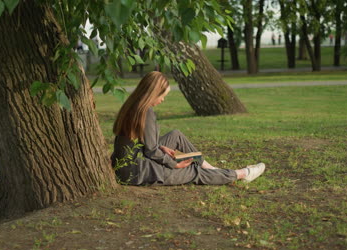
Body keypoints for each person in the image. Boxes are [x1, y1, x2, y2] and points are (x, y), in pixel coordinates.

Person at [111, 71, 265, 186]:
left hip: (130, 162)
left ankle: (210, 167)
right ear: (152, 93)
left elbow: (145, 144)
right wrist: (173, 164)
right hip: (135, 171)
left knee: (176, 135)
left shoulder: (133, 105)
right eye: (161, 95)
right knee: (194, 172)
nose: (162, 100)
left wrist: (161, 147)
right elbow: (151, 151)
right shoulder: (146, 112)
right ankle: (242, 174)